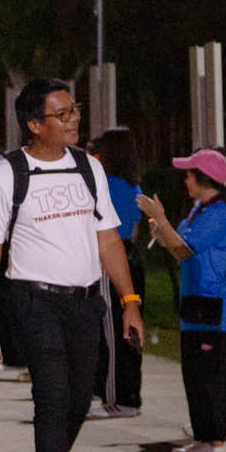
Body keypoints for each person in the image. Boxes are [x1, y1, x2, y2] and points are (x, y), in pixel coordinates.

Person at [0, 78, 145, 452]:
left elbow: (107, 238)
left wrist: (129, 302)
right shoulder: (7, 175)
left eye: (75, 110)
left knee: (78, 401)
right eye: (62, 114)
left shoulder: (89, 167)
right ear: (34, 124)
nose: (74, 120)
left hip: (86, 302)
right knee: (51, 398)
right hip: (35, 301)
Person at [137, 148, 226, 452]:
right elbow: (176, 246)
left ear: (203, 178)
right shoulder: (200, 211)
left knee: (209, 375)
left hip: (211, 304)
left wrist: (162, 219)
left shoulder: (219, 213)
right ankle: (203, 438)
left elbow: (183, 250)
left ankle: (214, 440)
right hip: (195, 303)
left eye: (189, 174)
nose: (185, 180)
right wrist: (161, 231)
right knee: (194, 374)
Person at [91, 127, 145, 418]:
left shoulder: (107, 185)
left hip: (111, 259)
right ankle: (130, 393)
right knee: (130, 331)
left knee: (111, 332)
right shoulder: (133, 186)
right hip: (132, 258)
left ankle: (115, 398)